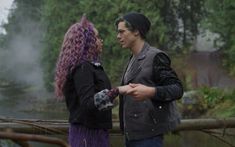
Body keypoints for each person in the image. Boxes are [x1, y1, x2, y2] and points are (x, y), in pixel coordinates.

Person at [54, 15, 130, 147]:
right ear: (88, 42)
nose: (101, 41)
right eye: (97, 37)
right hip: (87, 135)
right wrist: (118, 91)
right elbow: (89, 103)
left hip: (95, 132)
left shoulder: (89, 66)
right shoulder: (83, 68)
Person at [115, 12, 184, 147]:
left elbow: (177, 89)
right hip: (132, 135)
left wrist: (150, 92)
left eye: (122, 32)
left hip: (148, 138)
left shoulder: (156, 57)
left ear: (136, 31)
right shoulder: (132, 59)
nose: (118, 36)